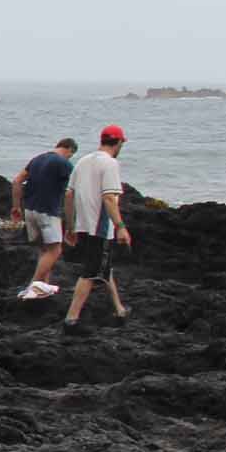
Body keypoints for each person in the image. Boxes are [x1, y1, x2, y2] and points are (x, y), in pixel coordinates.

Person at [63, 125, 132, 330]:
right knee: (91, 272)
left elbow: (68, 195)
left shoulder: (83, 161)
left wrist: (70, 225)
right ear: (118, 143)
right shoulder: (110, 164)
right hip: (100, 228)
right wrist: (120, 226)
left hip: (83, 225)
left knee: (103, 267)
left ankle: (119, 309)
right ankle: (71, 319)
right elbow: (109, 197)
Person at [10, 137, 78, 298]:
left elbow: (17, 181)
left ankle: (43, 288)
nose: (69, 158)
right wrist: (71, 225)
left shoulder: (37, 159)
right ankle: (32, 287)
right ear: (69, 149)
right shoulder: (64, 164)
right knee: (55, 250)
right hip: (48, 212)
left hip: (30, 211)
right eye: (70, 155)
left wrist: (16, 206)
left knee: (44, 250)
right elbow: (70, 192)